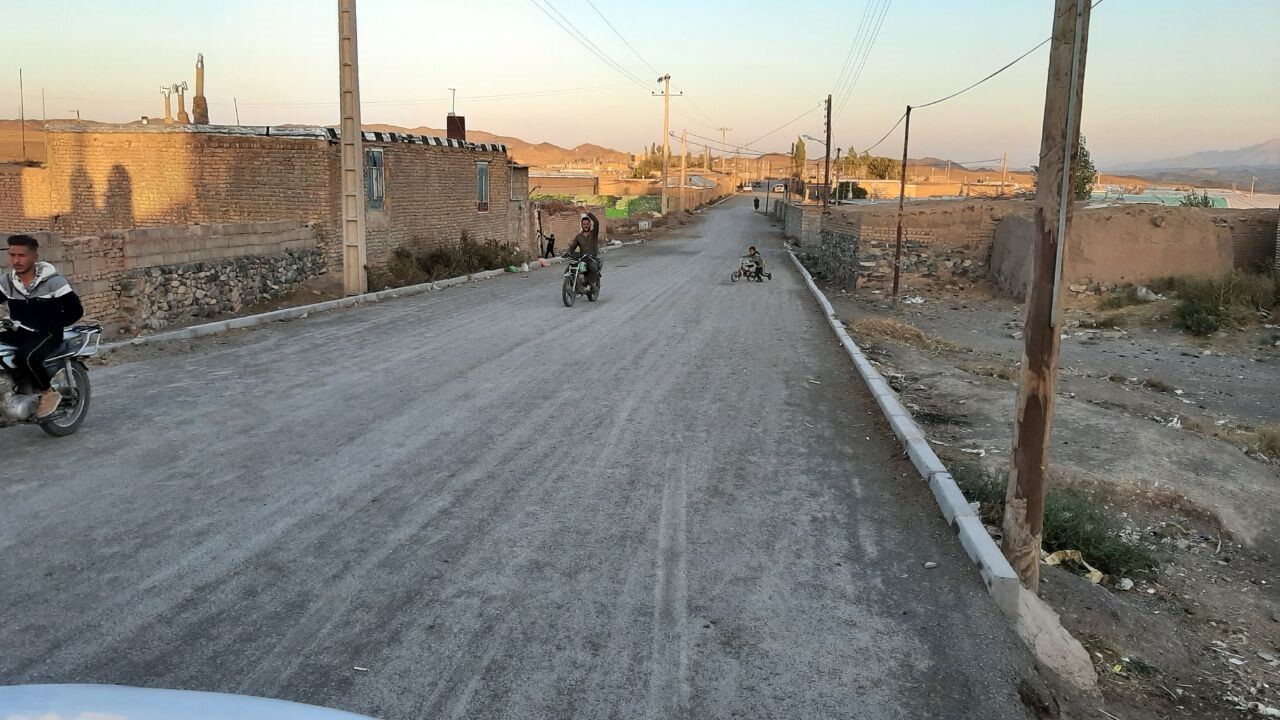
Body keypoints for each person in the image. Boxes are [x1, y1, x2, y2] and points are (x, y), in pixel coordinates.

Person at [1, 234, 84, 419]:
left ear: (34, 257)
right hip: (20, 331)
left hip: (47, 333)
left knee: (27, 357)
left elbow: (76, 310)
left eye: (21, 255)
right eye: (12, 255)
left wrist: (50, 323)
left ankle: (48, 393)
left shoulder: (54, 282)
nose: (16, 260)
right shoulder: (7, 281)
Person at [565, 212, 601, 291]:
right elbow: (572, 247)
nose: (586, 225)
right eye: (584, 224)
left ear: (590, 225)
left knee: (593, 266)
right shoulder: (578, 237)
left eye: (587, 224)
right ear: (581, 225)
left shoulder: (594, 233)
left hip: (592, 257)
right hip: (583, 258)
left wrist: (589, 213)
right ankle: (571, 284)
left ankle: (593, 284)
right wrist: (567, 252)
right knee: (569, 267)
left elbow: (597, 222)